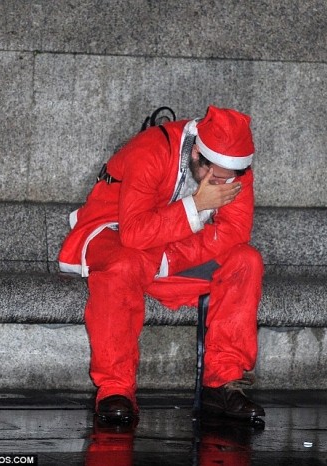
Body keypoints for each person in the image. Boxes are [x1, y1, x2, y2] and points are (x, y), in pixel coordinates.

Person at [58, 105, 265, 425]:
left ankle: (222, 384)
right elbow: (134, 232)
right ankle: (115, 388)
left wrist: (169, 259)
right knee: (123, 266)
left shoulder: (235, 168)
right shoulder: (151, 150)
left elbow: (234, 231)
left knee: (245, 261)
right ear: (197, 153)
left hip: (168, 256)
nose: (224, 184)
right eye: (216, 176)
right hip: (115, 235)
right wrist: (196, 205)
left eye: (231, 177)